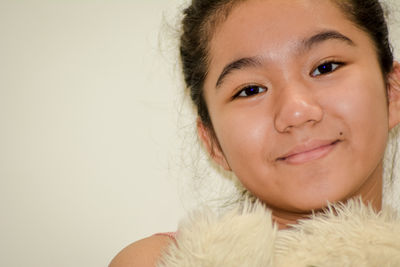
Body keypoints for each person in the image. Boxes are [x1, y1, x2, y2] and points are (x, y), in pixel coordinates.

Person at [110, 0, 400, 266]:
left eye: (325, 67)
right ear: (213, 143)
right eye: (250, 90)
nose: (296, 112)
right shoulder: (162, 262)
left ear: (392, 92)